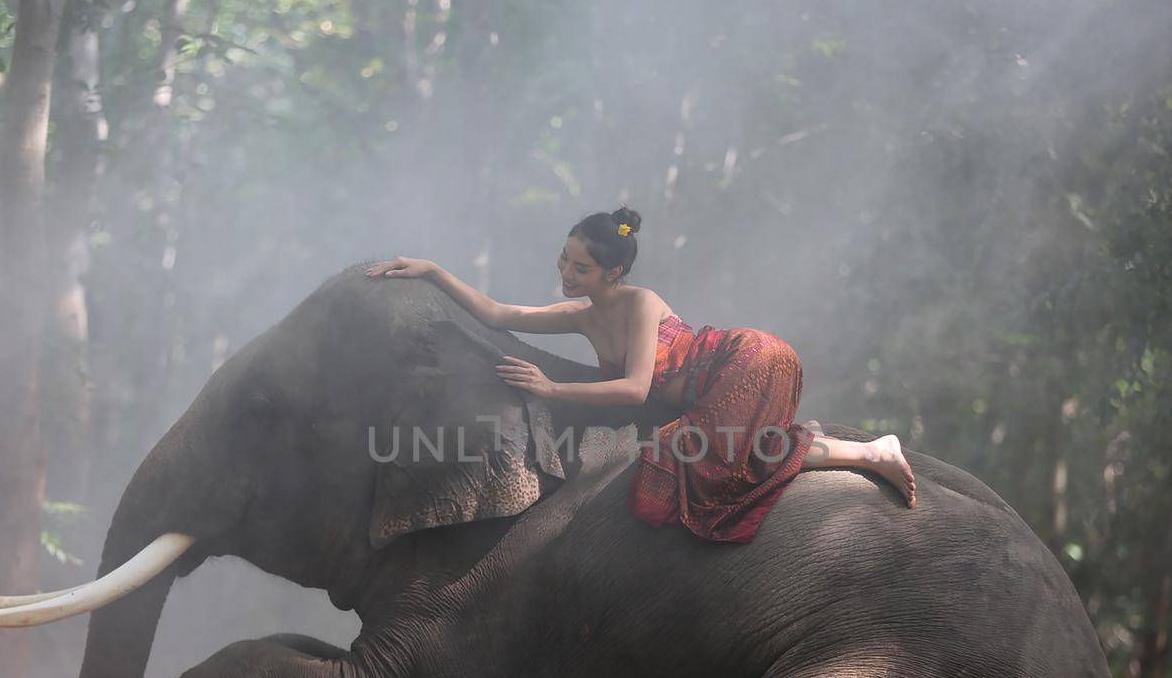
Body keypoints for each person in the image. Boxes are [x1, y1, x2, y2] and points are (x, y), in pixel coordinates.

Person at [366, 207, 915, 543]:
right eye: (563, 260)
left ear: (614, 271)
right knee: (692, 468)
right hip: (717, 390)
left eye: (580, 268)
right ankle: (799, 440)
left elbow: (634, 389)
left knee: (698, 465)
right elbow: (498, 314)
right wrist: (434, 272)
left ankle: (873, 454)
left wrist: (552, 388)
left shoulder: (641, 304)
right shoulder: (578, 315)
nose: (566, 274)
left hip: (750, 360)